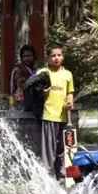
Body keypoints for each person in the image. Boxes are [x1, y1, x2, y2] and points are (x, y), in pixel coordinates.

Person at [36, 45, 74, 181]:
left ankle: (62, 178)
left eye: (59, 55)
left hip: (63, 117)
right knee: (48, 152)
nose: (56, 58)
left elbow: (70, 92)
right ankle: (46, 179)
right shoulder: (42, 73)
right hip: (48, 116)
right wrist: (42, 92)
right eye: (53, 55)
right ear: (48, 57)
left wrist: (70, 101)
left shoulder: (67, 74)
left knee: (62, 150)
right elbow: (33, 91)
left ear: (63, 56)